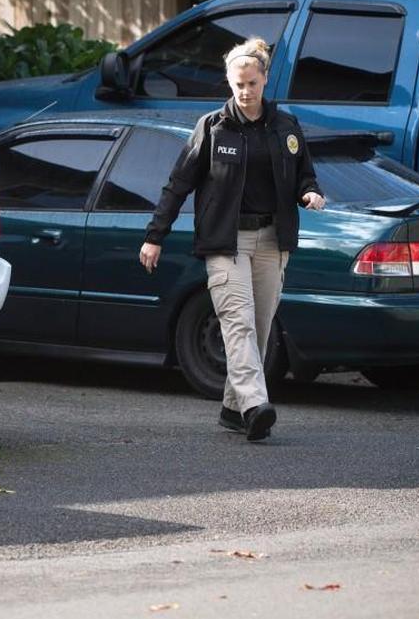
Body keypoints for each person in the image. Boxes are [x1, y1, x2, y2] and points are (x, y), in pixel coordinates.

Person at [139, 37, 326, 442]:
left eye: (252, 84)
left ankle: (231, 408)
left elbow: (304, 174)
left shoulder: (286, 128)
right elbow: (178, 185)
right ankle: (257, 405)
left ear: (264, 81)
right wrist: (155, 236)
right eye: (238, 85)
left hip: (272, 241)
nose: (245, 92)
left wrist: (309, 192)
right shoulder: (211, 128)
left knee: (258, 329)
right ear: (229, 82)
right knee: (237, 324)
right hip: (225, 243)